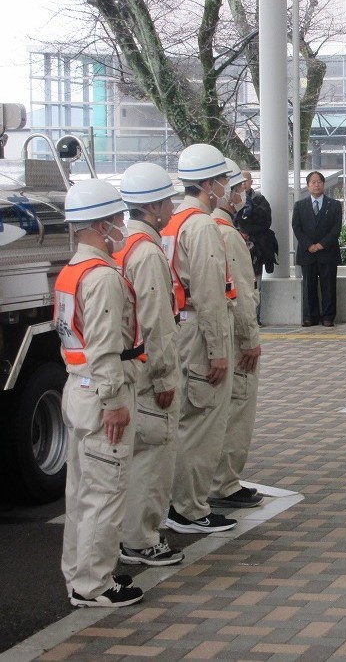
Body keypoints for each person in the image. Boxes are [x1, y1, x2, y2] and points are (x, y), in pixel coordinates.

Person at [55, 179, 145, 607]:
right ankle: (94, 585)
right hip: (101, 393)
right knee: (104, 491)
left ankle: (78, 575)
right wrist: (114, 402)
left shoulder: (72, 271)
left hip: (78, 387)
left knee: (81, 492)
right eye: (117, 220)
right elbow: (107, 346)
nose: (122, 228)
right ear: (102, 224)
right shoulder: (103, 278)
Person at [163, 143, 236, 534]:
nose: (228, 187)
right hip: (199, 330)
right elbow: (209, 294)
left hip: (181, 328)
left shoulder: (173, 222)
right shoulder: (203, 225)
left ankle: (178, 503)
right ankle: (190, 508)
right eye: (224, 180)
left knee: (187, 420)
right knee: (204, 423)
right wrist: (219, 350)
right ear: (208, 184)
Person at [114, 163, 183, 568]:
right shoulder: (148, 254)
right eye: (168, 200)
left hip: (127, 366)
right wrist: (164, 376)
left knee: (134, 455)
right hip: (146, 368)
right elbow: (157, 321)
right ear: (154, 207)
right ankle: (142, 539)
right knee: (154, 455)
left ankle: (130, 534)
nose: (173, 206)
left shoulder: (122, 246)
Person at [208, 159, 263, 508]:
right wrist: (251, 339)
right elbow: (242, 292)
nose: (244, 193)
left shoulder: (202, 227)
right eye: (240, 188)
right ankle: (224, 482)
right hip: (231, 332)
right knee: (238, 406)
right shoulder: (225, 232)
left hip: (212, 333)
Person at [292, 171, 343, 327]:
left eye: (319, 181)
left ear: (324, 184)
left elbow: (336, 228)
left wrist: (321, 245)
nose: (316, 184)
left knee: (328, 285)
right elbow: (296, 227)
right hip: (307, 253)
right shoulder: (300, 205)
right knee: (309, 286)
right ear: (308, 186)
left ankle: (328, 316)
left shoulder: (334, 205)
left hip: (327, 252)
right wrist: (309, 245)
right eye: (313, 182)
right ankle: (310, 317)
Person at [235, 171, 278, 325]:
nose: (243, 184)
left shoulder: (259, 199)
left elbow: (266, 222)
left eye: (245, 181)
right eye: (240, 182)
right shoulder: (232, 200)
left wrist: (252, 212)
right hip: (236, 247)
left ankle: (255, 318)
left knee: (256, 285)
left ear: (251, 181)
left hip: (256, 249)